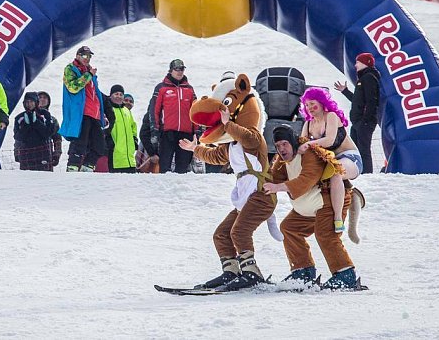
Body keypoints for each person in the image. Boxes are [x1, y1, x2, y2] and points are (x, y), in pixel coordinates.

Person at [178, 74, 282, 292]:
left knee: (239, 232)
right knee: (221, 233)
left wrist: (228, 124)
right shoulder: (232, 145)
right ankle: (231, 271)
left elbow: (248, 136)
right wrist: (194, 150)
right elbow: (215, 156)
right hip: (246, 197)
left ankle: (252, 272)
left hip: (262, 195)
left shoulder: (254, 138)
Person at [263, 125, 363, 290]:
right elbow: (274, 178)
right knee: (289, 228)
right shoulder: (282, 161)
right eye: (278, 145)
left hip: (328, 200)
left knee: (325, 234)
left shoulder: (309, 153)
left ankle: (346, 275)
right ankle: (303, 272)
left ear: (293, 142)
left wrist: (278, 187)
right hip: (307, 207)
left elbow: (306, 180)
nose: (281, 149)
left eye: (285, 144)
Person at [300, 87, 363, 233]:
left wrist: (307, 144)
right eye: (307, 105)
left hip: (349, 157)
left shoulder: (331, 116)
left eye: (312, 103)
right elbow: (301, 144)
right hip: (328, 160)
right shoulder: (308, 124)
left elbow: (329, 140)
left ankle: (337, 218)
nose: (309, 108)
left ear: (322, 102)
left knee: (336, 173)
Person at [59, 45, 106, 172]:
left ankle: (88, 166)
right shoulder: (71, 69)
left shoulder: (90, 71)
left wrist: (102, 113)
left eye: (89, 56)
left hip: (94, 114)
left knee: (99, 145)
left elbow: (96, 93)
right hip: (81, 112)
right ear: (78, 56)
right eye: (84, 55)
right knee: (80, 141)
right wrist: (88, 75)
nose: (87, 58)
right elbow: (73, 87)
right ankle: (72, 166)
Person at [334, 52, 380, 174]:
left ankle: (368, 174)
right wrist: (345, 91)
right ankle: (359, 172)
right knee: (355, 150)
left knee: (364, 150)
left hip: (363, 122)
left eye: (358, 62)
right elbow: (357, 100)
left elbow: (372, 101)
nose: (355, 65)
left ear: (366, 63)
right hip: (357, 122)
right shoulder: (363, 79)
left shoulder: (369, 77)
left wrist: (365, 120)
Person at [148, 58, 197, 173]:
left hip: (186, 133)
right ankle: (163, 189)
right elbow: (154, 110)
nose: (180, 71)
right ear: (171, 70)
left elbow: (195, 111)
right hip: (167, 133)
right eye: (177, 69)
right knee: (165, 166)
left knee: (183, 167)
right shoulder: (161, 88)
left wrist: (197, 131)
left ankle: (181, 189)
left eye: (182, 69)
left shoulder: (189, 89)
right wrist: (154, 130)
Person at [13, 92, 56, 171]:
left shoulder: (45, 114)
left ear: (36, 102)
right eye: (27, 102)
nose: (29, 104)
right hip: (25, 154)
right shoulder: (19, 118)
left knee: (45, 179)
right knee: (26, 180)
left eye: (32, 102)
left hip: (43, 153)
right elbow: (17, 137)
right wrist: (26, 125)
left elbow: (49, 133)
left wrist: (36, 122)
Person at [107, 84, 138, 173]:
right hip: (115, 157)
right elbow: (105, 127)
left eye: (121, 94)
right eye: (116, 94)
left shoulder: (126, 111)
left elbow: (133, 126)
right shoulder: (109, 109)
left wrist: (134, 139)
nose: (119, 96)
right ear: (111, 95)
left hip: (130, 159)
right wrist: (108, 141)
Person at [37, 91, 62, 170]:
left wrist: (57, 154)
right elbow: (19, 137)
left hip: (47, 154)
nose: (42, 99)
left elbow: (57, 138)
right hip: (28, 155)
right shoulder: (27, 117)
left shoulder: (52, 120)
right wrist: (17, 152)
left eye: (45, 98)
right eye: (40, 97)